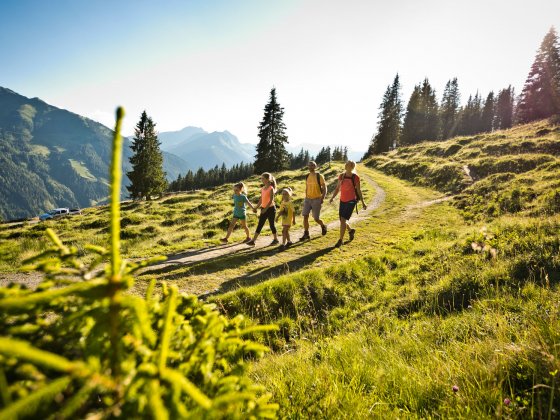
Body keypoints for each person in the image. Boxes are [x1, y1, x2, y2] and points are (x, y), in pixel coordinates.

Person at [329, 160, 367, 248]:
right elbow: (337, 188)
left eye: (349, 165)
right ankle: (350, 231)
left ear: (352, 167)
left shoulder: (355, 177)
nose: (346, 166)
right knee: (342, 220)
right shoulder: (341, 176)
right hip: (342, 200)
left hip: (351, 201)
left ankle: (340, 240)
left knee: (343, 220)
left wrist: (363, 202)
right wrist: (332, 197)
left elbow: (358, 190)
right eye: (346, 164)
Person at [246, 172, 279, 246]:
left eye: (263, 178)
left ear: (268, 179)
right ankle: (253, 241)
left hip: (270, 209)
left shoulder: (271, 188)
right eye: (261, 178)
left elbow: (271, 200)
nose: (261, 180)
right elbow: (261, 199)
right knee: (260, 224)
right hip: (263, 208)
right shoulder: (263, 188)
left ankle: (276, 239)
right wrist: (256, 207)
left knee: (272, 225)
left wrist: (265, 209)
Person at [300, 161, 327, 241]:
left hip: (317, 199)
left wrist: (323, 198)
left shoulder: (319, 176)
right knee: (305, 216)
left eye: (312, 165)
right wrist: (306, 196)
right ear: (308, 167)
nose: (310, 167)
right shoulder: (307, 176)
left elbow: (325, 188)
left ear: (315, 166)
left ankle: (323, 225)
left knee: (316, 218)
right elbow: (307, 187)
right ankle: (306, 233)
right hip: (308, 199)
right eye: (309, 165)